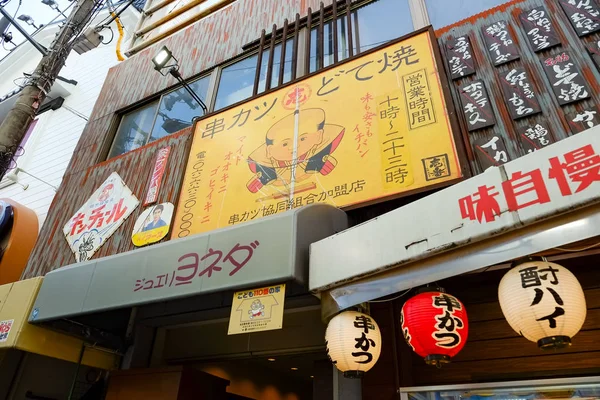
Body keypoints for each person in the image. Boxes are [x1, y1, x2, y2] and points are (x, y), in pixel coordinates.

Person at [246, 108, 345, 193]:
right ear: (269, 150)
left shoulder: (319, 159)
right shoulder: (266, 170)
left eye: (302, 139)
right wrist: (260, 180)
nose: (293, 147)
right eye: (285, 144)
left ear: (318, 136)